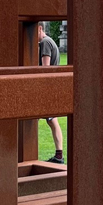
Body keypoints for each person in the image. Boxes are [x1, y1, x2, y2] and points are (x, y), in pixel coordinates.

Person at [37, 22, 63, 165]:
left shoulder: (45, 43)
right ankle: (59, 155)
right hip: (53, 87)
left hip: (47, 88)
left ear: (40, 28)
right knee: (51, 120)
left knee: (51, 120)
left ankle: (59, 155)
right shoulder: (51, 41)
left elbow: (44, 69)